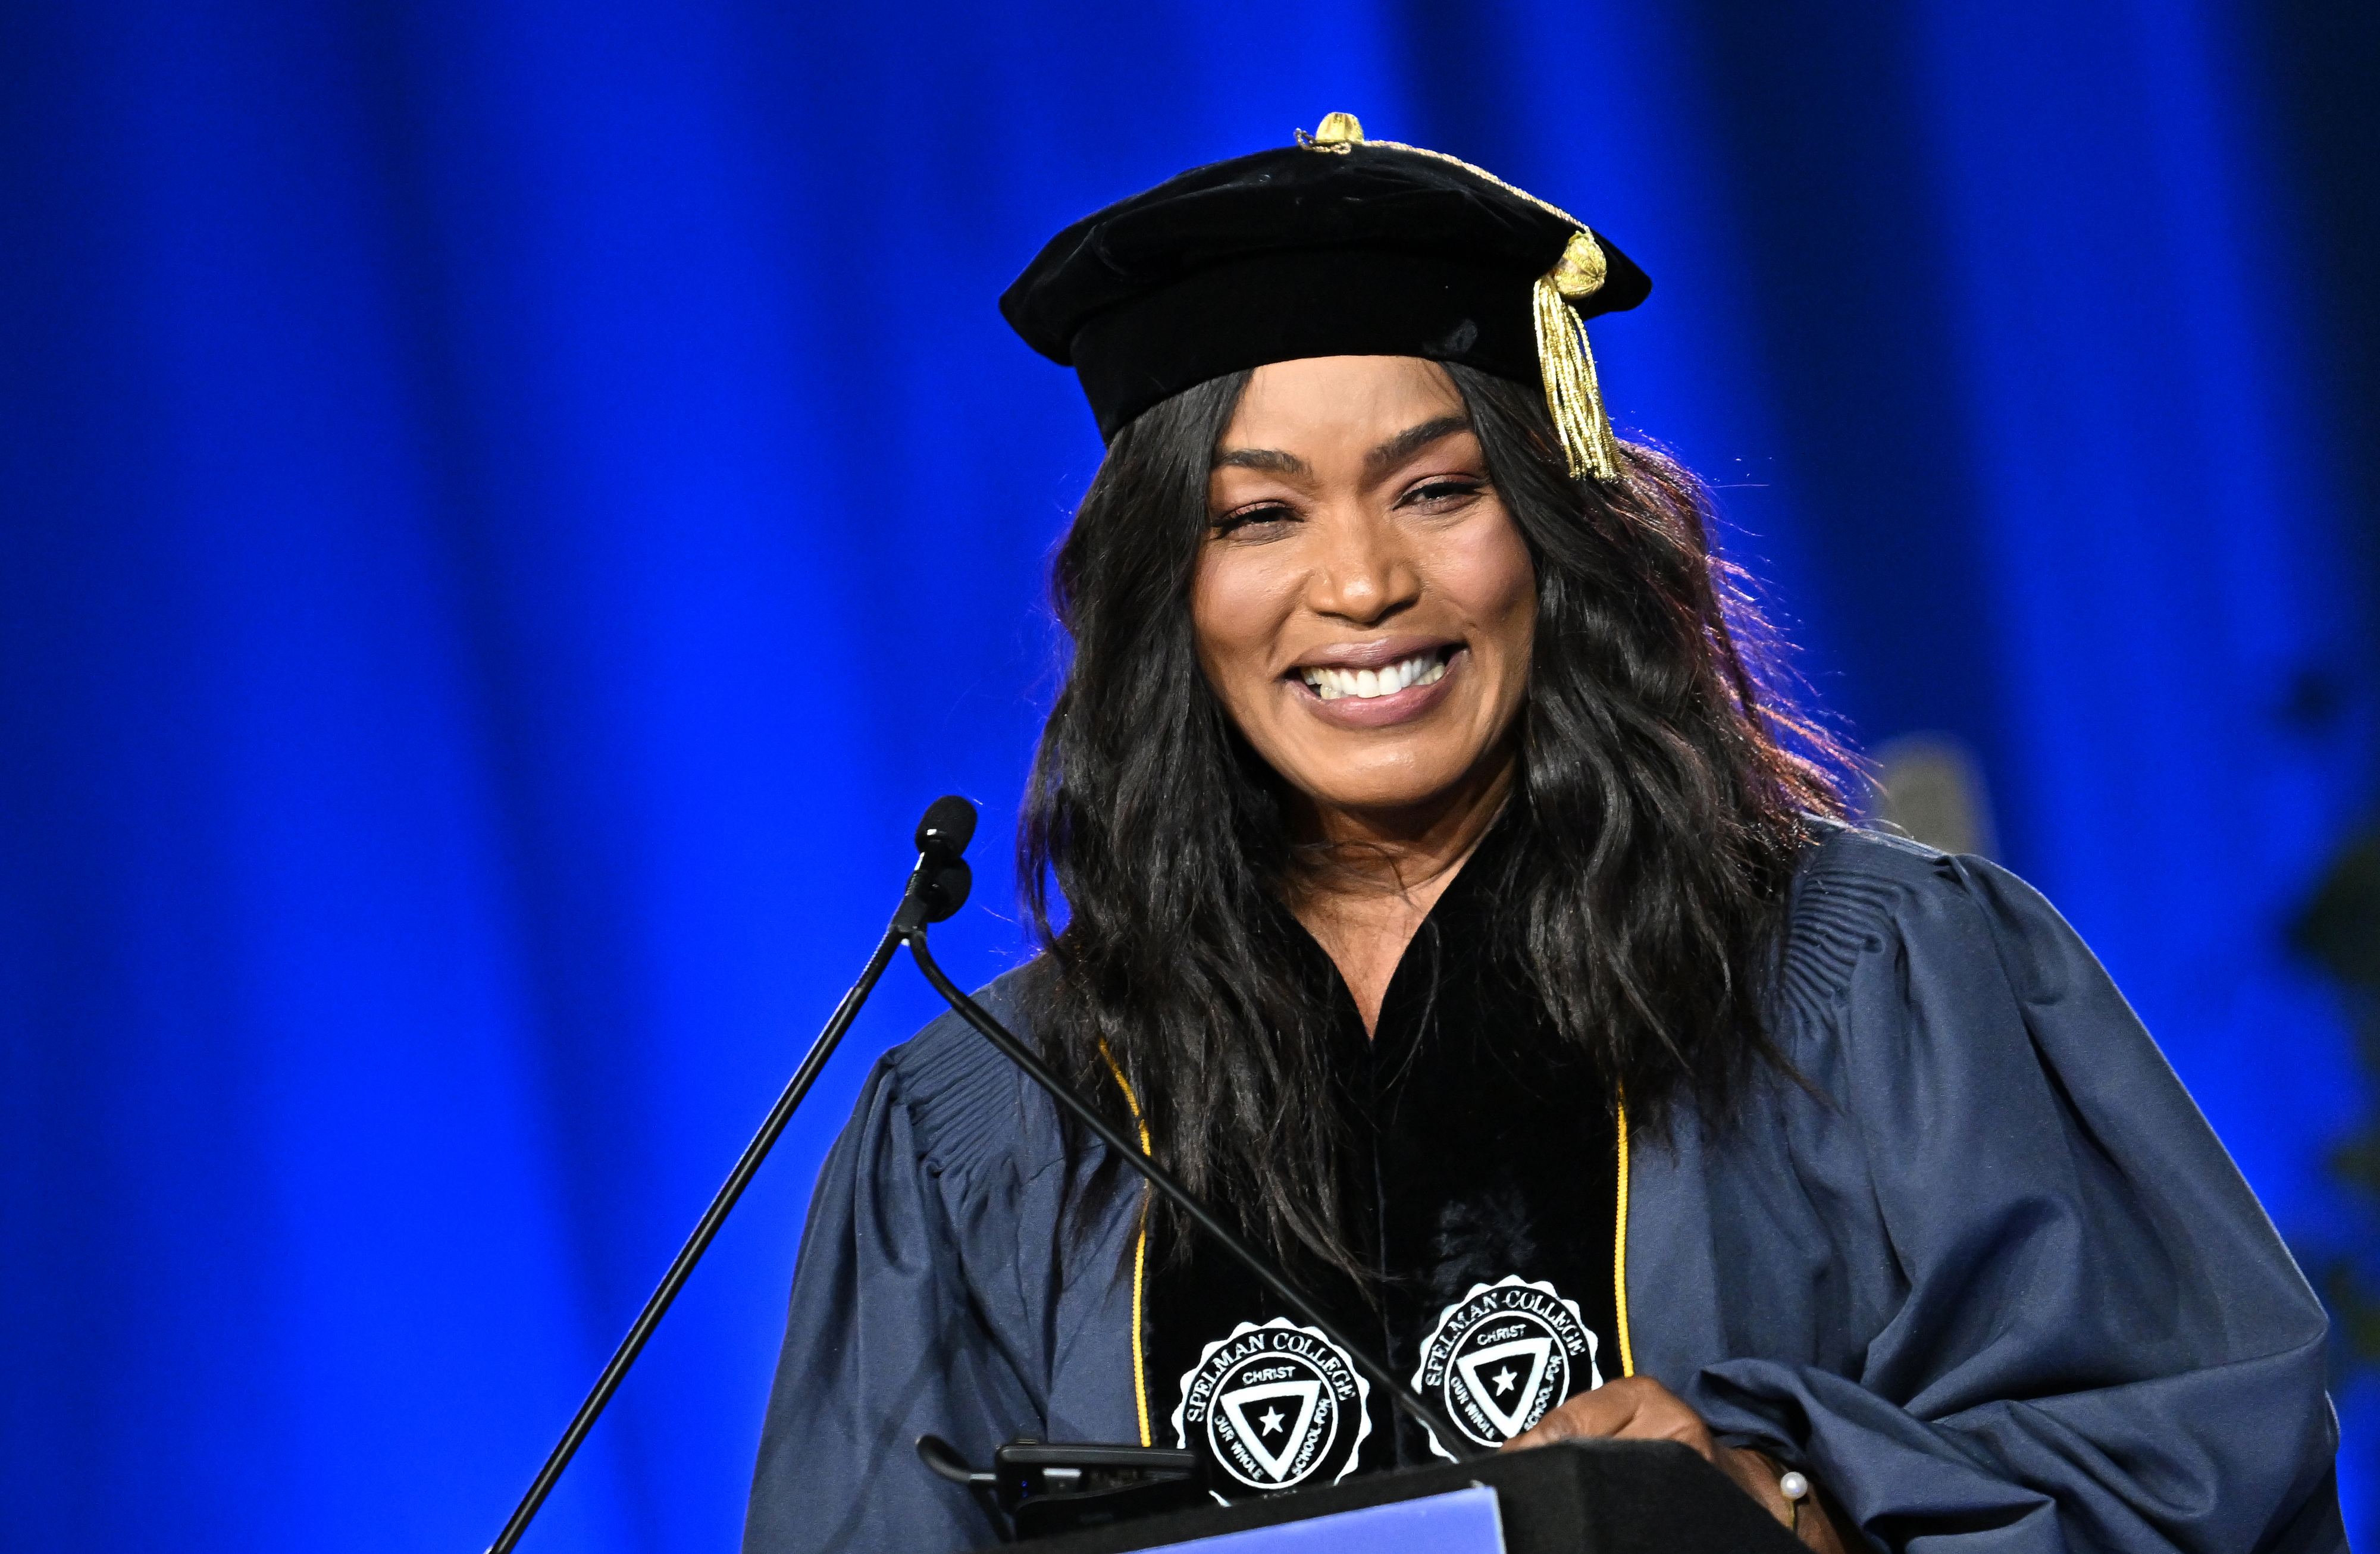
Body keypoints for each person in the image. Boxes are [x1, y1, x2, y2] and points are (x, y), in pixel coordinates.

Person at [741, 114, 2344, 1553]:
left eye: (1436, 491)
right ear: (1172, 592)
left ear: (1554, 532)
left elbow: (2192, 1475)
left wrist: (1795, 1497)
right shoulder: (999, 1124)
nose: (1363, 583)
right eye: (1260, 513)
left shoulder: (1867, 984)